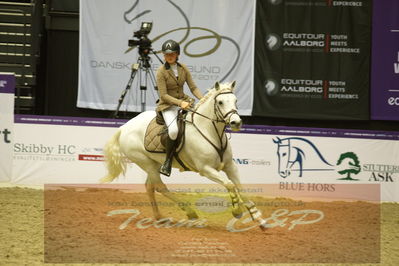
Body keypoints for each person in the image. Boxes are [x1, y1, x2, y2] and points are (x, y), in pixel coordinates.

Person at [156, 39, 203, 176]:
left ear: (177, 54)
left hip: (185, 101)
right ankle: (167, 162)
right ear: (164, 56)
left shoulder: (183, 68)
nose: (169, 56)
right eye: (166, 54)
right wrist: (179, 103)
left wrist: (203, 99)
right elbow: (163, 95)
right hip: (168, 106)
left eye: (172, 54)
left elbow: (193, 87)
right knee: (173, 131)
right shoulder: (160, 71)